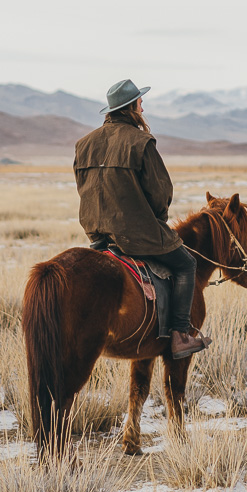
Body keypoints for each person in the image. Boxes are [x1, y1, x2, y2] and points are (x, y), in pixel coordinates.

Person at [74, 79, 210, 359]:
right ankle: (180, 336)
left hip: (97, 235)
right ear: (131, 108)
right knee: (186, 264)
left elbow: (82, 186)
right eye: (139, 102)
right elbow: (161, 193)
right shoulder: (141, 142)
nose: (143, 106)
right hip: (136, 235)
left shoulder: (84, 144)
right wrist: (156, 221)